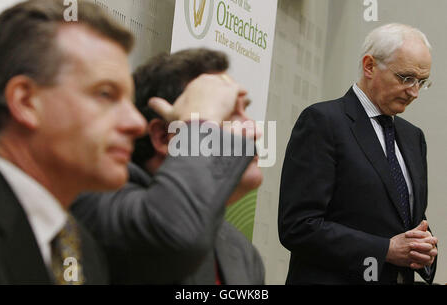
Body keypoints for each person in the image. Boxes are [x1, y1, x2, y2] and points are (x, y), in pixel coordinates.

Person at [72, 48, 265, 284]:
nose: (255, 131)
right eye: (227, 112)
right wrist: (200, 123)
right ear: (165, 137)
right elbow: (172, 235)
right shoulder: (95, 205)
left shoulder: (241, 251)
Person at [0, 0, 148, 284]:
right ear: (26, 101)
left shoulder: (82, 249)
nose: (136, 123)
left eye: (130, 100)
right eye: (105, 94)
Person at [278, 23, 438, 284]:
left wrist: (425, 249)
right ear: (370, 66)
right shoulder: (323, 122)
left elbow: (408, 218)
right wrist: (385, 250)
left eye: (422, 81)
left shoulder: (413, 137)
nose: (414, 92)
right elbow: (298, 226)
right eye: (406, 78)